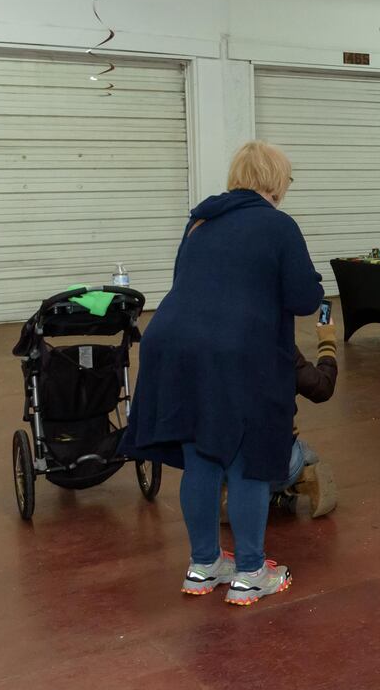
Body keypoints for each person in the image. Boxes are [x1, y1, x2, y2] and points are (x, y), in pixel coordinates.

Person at [121, 140, 323, 606]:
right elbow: (303, 299)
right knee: (247, 458)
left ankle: (204, 566)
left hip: (173, 346)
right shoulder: (278, 225)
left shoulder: (199, 221)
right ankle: (251, 573)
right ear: (276, 181)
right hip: (237, 352)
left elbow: (189, 284)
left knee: (202, 454)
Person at [275, 321, 339, 517]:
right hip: (277, 460)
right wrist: (327, 340)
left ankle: (230, 493)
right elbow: (322, 389)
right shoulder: (279, 344)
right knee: (307, 454)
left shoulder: (213, 341)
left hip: (225, 459)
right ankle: (294, 485)